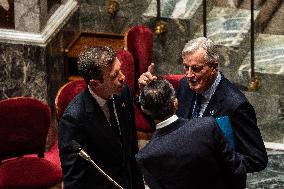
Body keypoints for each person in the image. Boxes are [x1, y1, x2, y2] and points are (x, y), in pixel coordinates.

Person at [138, 37, 267, 173]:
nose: (189, 75)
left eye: (196, 69)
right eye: (186, 67)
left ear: (213, 67)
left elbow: (256, 159)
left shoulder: (235, 104)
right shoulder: (184, 86)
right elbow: (166, 125)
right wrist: (148, 94)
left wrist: (212, 163)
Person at [136, 79, 248, 189]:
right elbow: (237, 170)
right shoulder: (207, 126)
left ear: (144, 109)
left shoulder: (145, 157)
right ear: (175, 103)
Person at [58, 46, 144, 189]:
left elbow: (131, 149)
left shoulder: (123, 93)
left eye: (120, 70)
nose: (123, 77)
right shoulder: (74, 120)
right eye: (114, 75)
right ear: (94, 83)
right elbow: (74, 180)